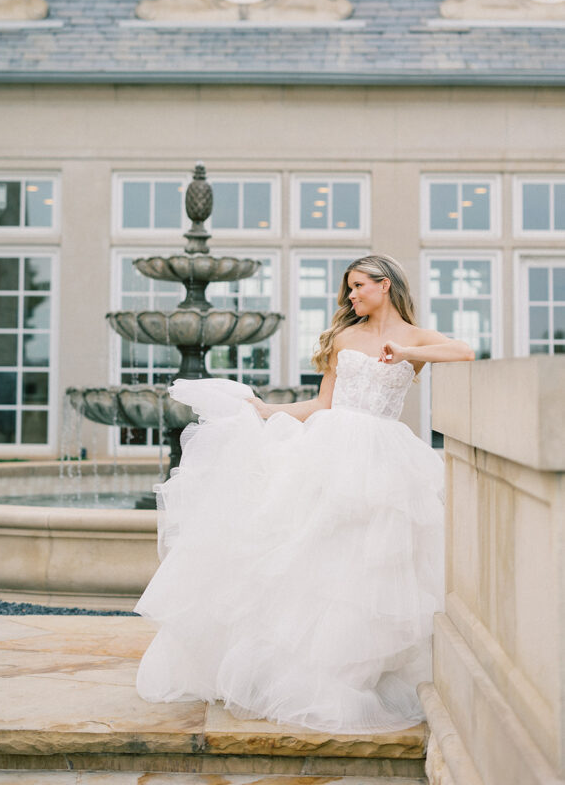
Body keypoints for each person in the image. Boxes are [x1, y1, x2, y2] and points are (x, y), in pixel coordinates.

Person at [134, 254, 474, 734]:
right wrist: (265, 410)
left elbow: (465, 352)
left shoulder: (417, 338)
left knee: (373, 560)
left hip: (384, 455)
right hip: (330, 449)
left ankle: (365, 667)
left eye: (358, 286)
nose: (351, 296)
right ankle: (310, 672)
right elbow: (323, 403)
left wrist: (404, 352)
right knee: (315, 554)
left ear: (386, 284)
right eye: (348, 289)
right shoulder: (343, 338)